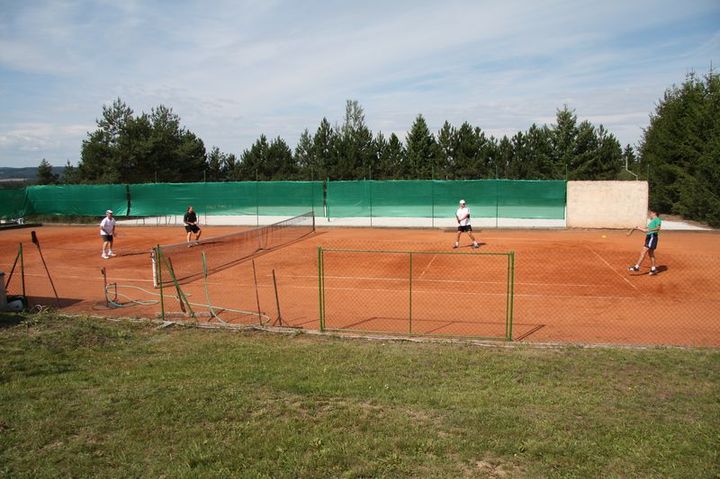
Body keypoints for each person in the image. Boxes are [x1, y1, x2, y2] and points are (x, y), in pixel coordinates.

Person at [628, 209, 662, 275]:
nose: (650, 214)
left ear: (654, 213)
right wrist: (638, 228)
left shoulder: (657, 219)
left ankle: (636, 267)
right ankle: (653, 269)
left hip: (652, 237)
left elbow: (658, 228)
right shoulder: (652, 221)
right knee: (650, 253)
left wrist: (650, 230)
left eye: (651, 213)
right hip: (649, 237)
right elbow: (645, 230)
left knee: (643, 252)